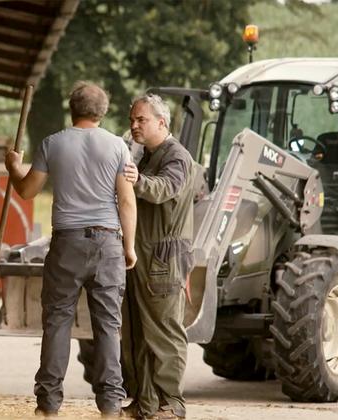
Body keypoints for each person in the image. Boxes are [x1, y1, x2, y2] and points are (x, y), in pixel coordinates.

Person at [5, 81, 137, 418]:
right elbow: (126, 200)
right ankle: (110, 406)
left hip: (67, 244)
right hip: (108, 243)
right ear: (102, 112)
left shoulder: (53, 143)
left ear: (72, 109)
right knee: (109, 325)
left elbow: (27, 190)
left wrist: (13, 167)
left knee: (58, 322)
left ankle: (48, 405)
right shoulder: (118, 147)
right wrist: (130, 247)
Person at [121, 94, 195, 420]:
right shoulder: (147, 155)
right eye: (132, 120)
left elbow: (165, 188)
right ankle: (146, 404)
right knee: (139, 335)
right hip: (143, 255)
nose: (134, 125)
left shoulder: (177, 157)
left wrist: (137, 181)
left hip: (163, 258)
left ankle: (171, 406)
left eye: (142, 120)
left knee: (164, 334)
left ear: (161, 123)